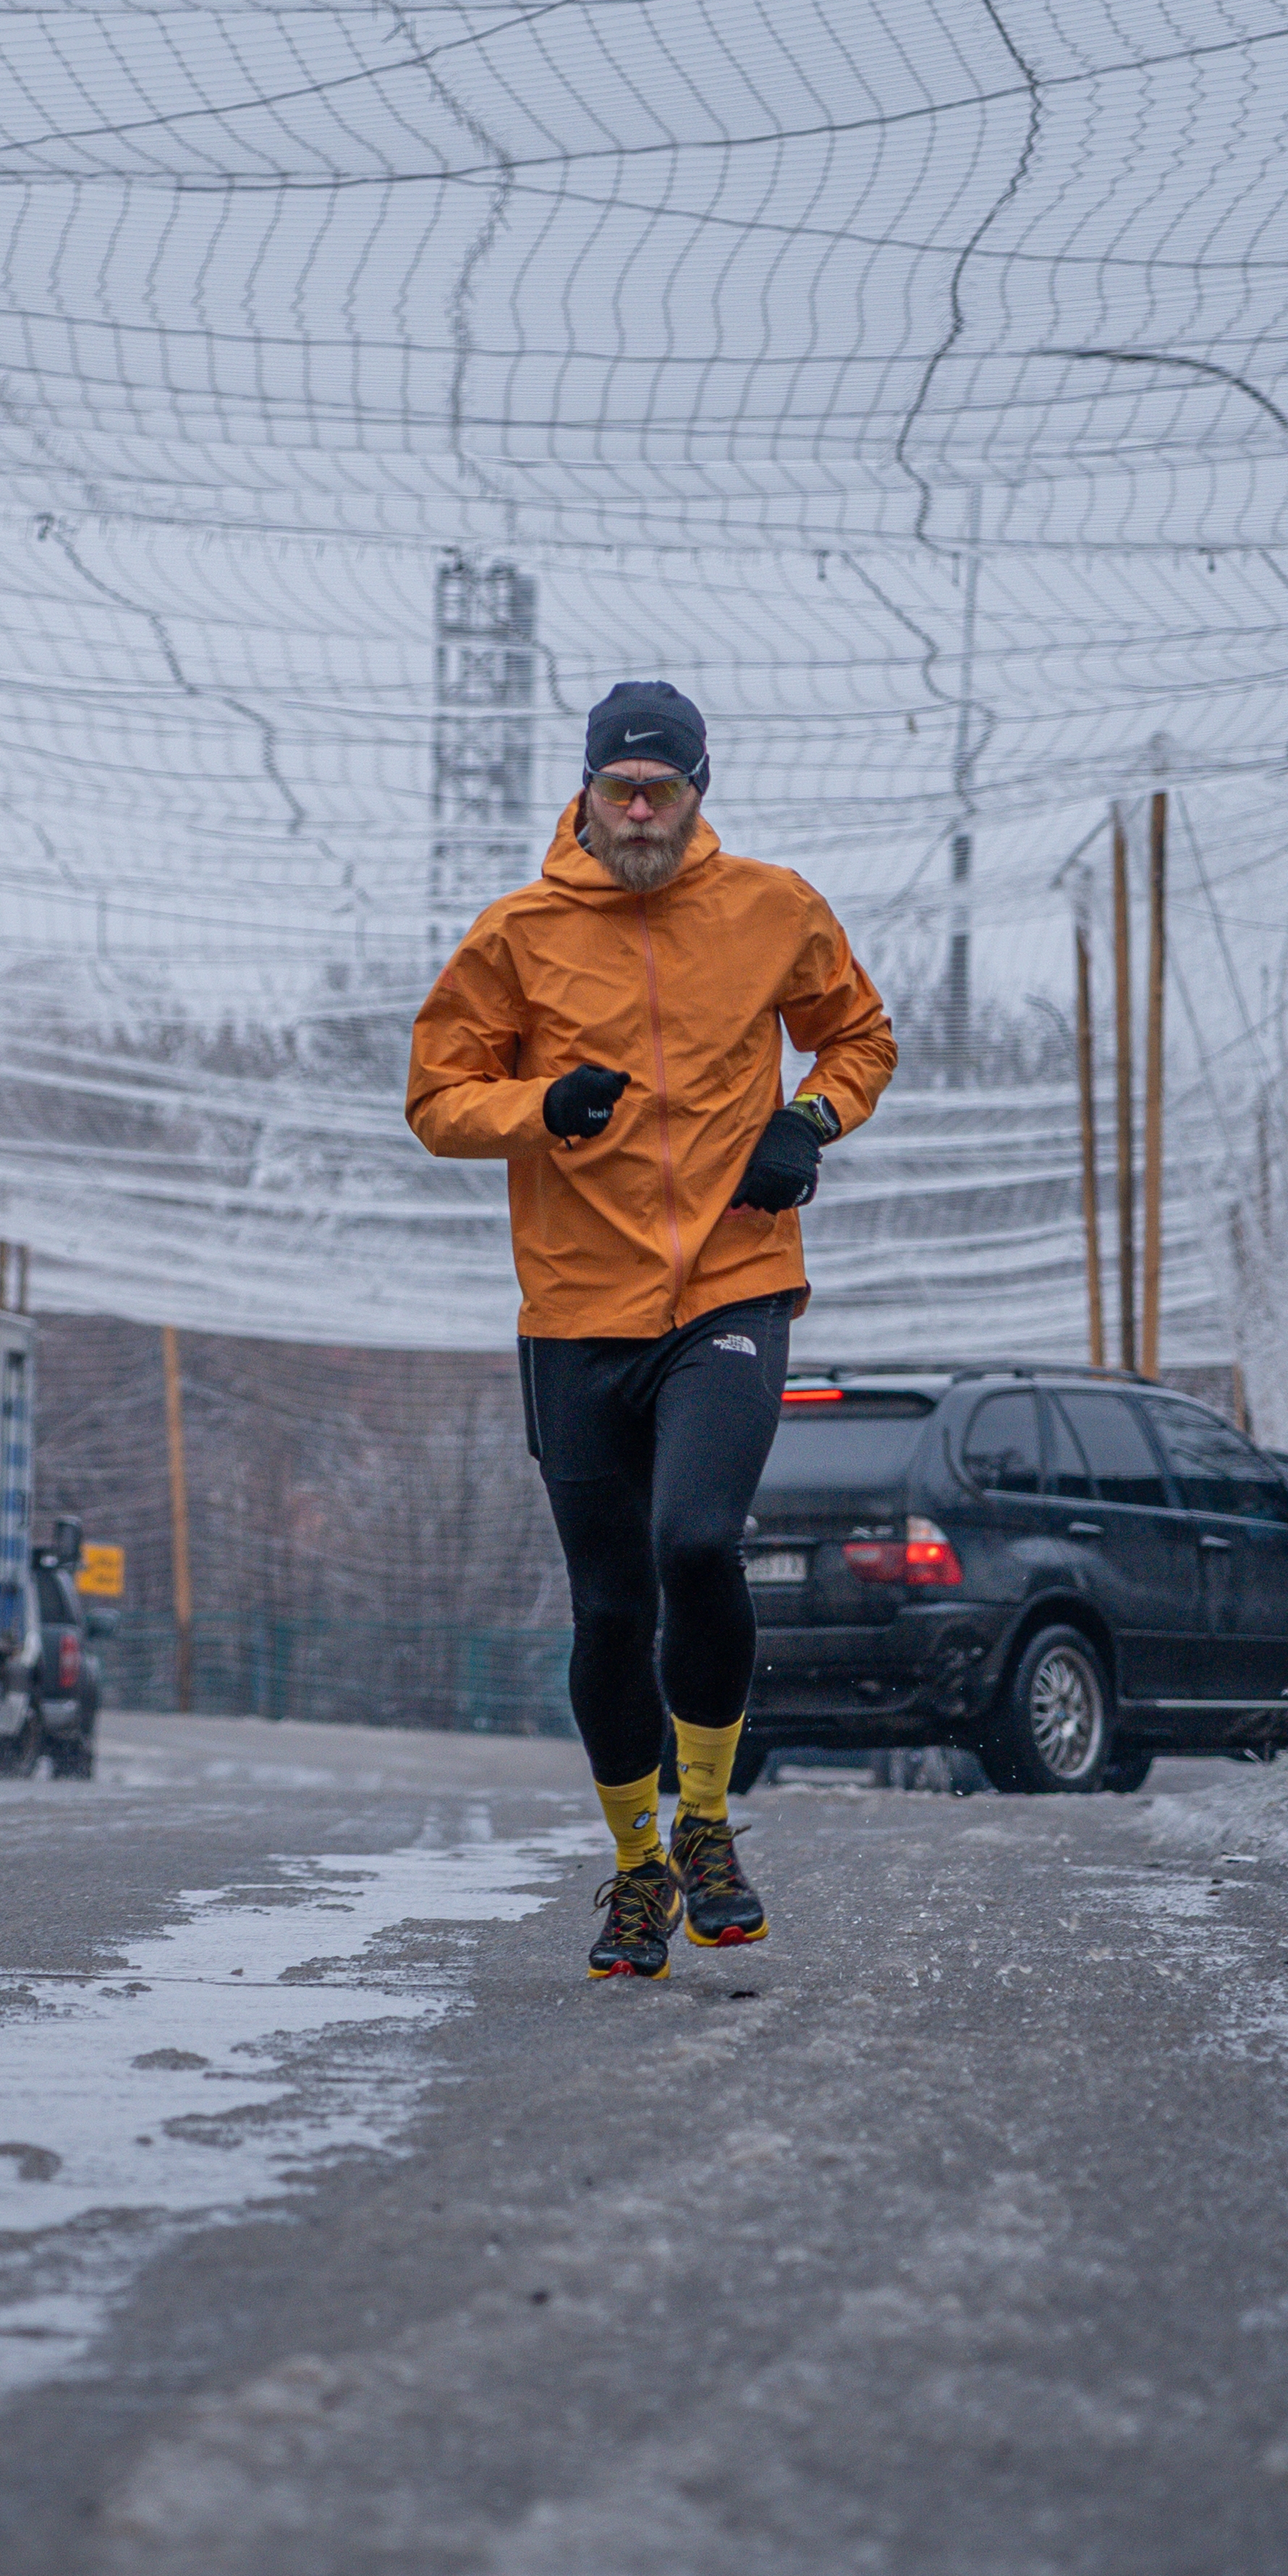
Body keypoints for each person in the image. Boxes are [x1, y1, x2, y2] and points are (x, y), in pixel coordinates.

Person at [406, 680, 895, 1978]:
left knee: (694, 1542)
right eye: (618, 787)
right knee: (612, 1608)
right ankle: (636, 1870)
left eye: (660, 790)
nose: (637, 810)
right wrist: (537, 1109)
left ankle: (710, 1826)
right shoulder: (514, 935)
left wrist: (807, 1124)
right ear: (582, 789)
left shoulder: (772, 908)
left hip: (731, 1285)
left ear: (698, 791)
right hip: (575, 1310)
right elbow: (437, 1097)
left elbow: (858, 1037)